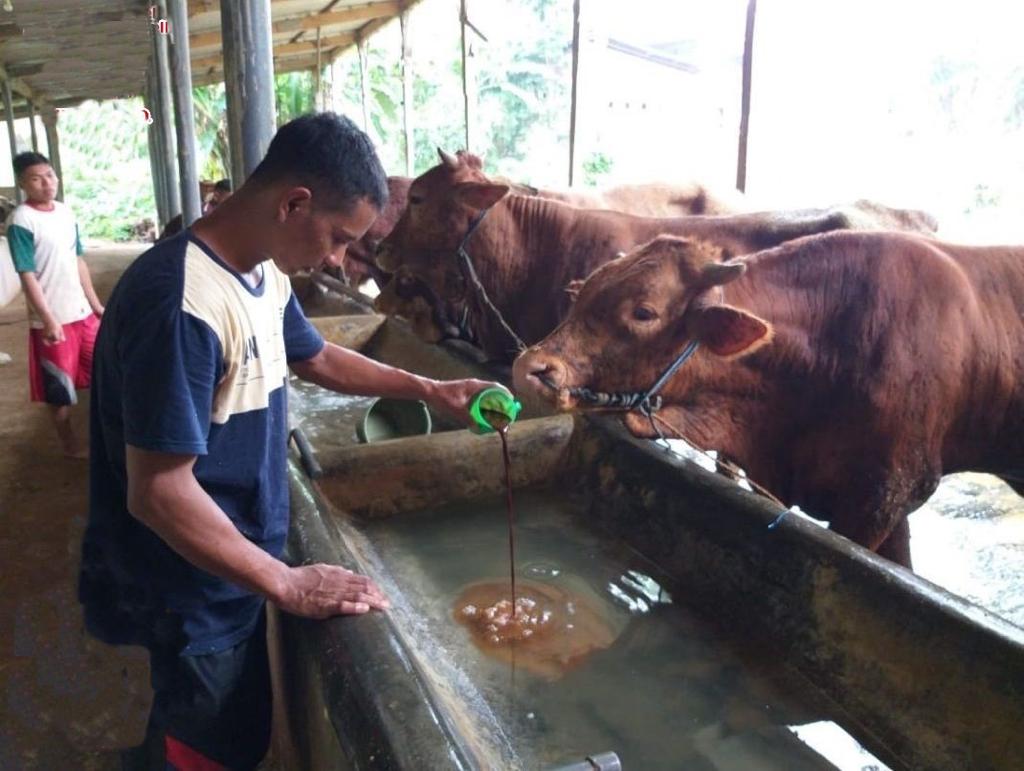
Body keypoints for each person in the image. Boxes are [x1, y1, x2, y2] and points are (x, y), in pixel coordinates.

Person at [79, 112, 502, 771]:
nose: (338, 259)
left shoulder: (261, 273)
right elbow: (158, 491)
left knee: (229, 730)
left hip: (230, 569)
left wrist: (430, 389)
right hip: (193, 585)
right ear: (294, 202)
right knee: (208, 744)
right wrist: (287, 582)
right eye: (338, 237)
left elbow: (314, 355)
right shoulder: (180, 303)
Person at [8, 151, 103, 457]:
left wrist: (96, 305)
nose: (46, 183)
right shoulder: (21, 220)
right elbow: (27, 274)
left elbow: (78, 260)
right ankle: (71, 445)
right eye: (36, 178)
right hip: (53, 319)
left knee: (103, 369)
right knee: (59, 389)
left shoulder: (65, 213)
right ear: (23, 183)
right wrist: (48, 319)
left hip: (83, 314)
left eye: (49, 175)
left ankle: (106, 433)